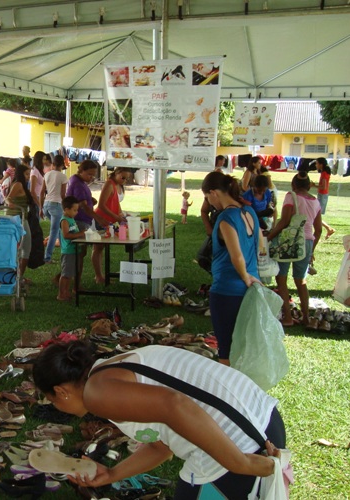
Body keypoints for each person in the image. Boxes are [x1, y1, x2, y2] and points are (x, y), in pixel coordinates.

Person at [32, 341, 285, 498]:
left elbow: (173, 405)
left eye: (51, 400)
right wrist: (111, 474)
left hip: (237, 446)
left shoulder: (97, 392)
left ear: (61, 391)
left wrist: (241, 463)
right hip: (264, 421)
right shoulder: (112, 369)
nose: (57, 407)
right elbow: (161, 447)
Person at [202, 171, 260, 365]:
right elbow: (259, 245)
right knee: (244, 346)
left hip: (228, 290)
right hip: (251, 287)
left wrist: (245, 276)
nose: (209, 203)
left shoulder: (226, 218)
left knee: (226, 350)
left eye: (207, 197)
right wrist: (251, 277)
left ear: (214, 193)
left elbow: (237, 256)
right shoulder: (249, 211)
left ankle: (227, 383)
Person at [267, 173, 322, 327]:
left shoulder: (291, 196)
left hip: (288, 241)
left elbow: (284, 221)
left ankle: (288, 318)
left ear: (293, 185)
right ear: (309, 186)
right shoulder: (316, 201)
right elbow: (318, 230)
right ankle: (306, 318)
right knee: (301, 281)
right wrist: (311, 250)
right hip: (307, 242)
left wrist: (269, 237)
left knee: (281, 279)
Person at [65, 160, 107, 281]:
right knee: (79, 254)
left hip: (83, 220)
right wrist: (98, 218)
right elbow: (83, 206)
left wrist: (90, 200)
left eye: (93, 175)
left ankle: (72, 280)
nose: (91, 177)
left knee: (80, 253)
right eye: (89, 174)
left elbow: (79, 201)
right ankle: (75, 284)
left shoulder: (78, 181)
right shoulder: (77, 183)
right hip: (79, 221)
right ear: (81, 170)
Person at [92, 168, 130, 283]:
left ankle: (101, 275)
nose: (124, 180)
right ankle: (98, 276)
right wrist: (117, 217)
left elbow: (116, 203)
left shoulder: (118, 185)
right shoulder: (109, 184)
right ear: (117, 173)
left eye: (127, 179)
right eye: (123, 177)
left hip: (111, 220)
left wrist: (122, 214)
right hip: (101, 219)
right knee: (98, 248)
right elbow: (102, 205)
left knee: (102, 247)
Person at [6, 164, 33, 284]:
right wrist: (9, 203)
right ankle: (18, 277)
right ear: (20, 174)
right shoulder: (18, 184)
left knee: (21, 248)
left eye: (29, 174)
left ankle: (17, 276)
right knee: (26, 248)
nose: (28, 176)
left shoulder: (21, 184)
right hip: (17, 219)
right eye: (26, 174)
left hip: (20, 218)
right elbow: (7, 198)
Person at [57, 196, 86, 301]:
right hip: (68, 251)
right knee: (65, 274)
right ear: (66, 209)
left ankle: (66, 291)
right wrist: (80, 234)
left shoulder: (71, 219)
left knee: (70, 274)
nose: (76, 212)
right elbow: (66, 235)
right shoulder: (64, 220)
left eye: (77, 210)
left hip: (74, 250)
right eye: (74, 210)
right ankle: (61, 294)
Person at [42, 154, 68, 264]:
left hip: (46, 204)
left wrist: (41, 207)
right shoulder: (63, 176)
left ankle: (65, 250)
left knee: (59, 229)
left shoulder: (47, 174)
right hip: (56, 205)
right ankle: (47, 257)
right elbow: (63, 194)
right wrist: (66, 206)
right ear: (62, 165)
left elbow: (42, 192)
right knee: (54, 231)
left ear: (53, 164)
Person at [310, 158, 335, 240]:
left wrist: (313, 185)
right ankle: (328, 229)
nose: (316, 165)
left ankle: (328, 229)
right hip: (322, 195)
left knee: (315, 216)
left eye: (317, 163)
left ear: (321, 164)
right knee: (315, 215)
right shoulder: (325, 172)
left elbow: (323, 187)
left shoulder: (324, 173)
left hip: (322, 195)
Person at [30, 151, 46, 219]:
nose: (45, 161)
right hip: (35, 198)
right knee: (35, 221)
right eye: (44, 159)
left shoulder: (39, 171)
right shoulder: (35, 171)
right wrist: (39, 205)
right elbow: (32, 191)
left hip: (39, 197)